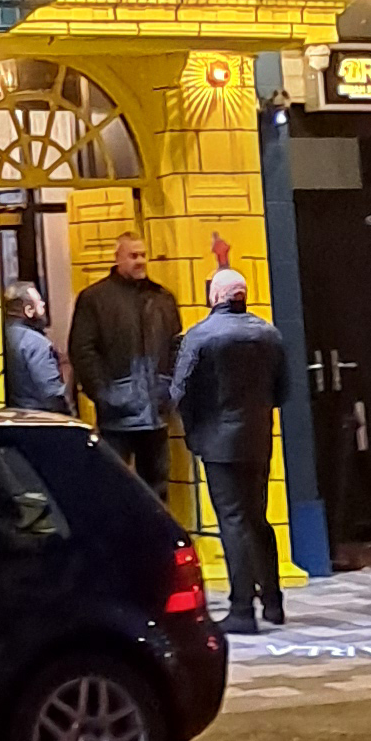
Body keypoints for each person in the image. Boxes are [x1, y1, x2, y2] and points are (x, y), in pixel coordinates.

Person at [171, 268, 289, 634]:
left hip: (217, 441)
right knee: (257, 517)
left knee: (233, 520)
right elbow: (283, 391)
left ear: (215, 297)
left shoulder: (200, 336)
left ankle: (241, 609)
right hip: (258, 437)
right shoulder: (269, 333)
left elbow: (180, 390)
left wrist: (195, 427)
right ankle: (273, 601)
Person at [67, 230, 180, 488]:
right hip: (116, 416)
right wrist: (103, 394)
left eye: (143, 255)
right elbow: (82, 350)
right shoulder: (95, 298)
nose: (140, 261)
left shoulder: (162, 298)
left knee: (157, 488)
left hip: (156, 413)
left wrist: (170, 389)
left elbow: (176, 347)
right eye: (133, 256)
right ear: (118, 258)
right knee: (112, 486)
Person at [2, 276, 70, 414]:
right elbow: (51, 392)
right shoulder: (36, 343)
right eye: (39, 302)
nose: (43, 304)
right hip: (37, 415)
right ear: (29, 310)